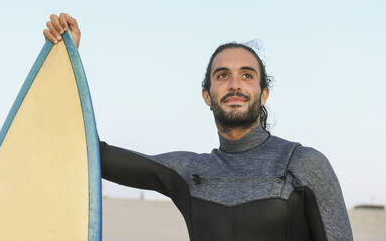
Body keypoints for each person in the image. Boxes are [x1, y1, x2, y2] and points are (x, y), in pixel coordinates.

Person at [44, 13, 354, 241]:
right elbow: (89, 154)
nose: (235, 85)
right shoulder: (189, 171)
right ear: (207, 95)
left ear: (264, 93)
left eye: (247, 76)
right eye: (222, 76)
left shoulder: (303, 164)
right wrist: (67, 56)